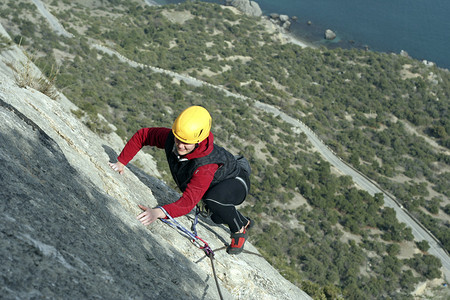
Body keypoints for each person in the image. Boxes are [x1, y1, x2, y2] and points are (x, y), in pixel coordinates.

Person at [109, 106, 253, 254]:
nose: (180, 145)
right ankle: (243, 220)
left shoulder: (205, 165)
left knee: (214, 200)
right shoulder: (174, 138)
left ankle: (239, 230)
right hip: (217, 183)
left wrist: (158, 212)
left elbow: (187, 203)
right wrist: (121, 161)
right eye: (178, 139)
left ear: (198, 141)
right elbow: (144, 135)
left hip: (237, 182)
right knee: (217, 216)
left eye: (186, 143)